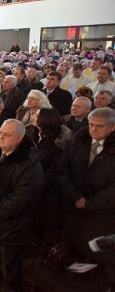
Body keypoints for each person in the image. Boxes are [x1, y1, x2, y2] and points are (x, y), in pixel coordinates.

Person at [0, 119, 44, 291]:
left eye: (7, 135)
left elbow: (22, 198)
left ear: (19, 138)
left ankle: (11, 287)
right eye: (0, 134)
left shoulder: (29, 163)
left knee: (10, 261)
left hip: (12, 223)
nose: (1, 138)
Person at [57, 108, 115, 265]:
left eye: (99, 126)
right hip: (72, 206)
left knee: (95, 256)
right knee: (71, 251)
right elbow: (62, 170)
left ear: (112, 127)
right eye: (91, 124)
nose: (93, 129)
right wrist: (74, 196)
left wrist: (90, 203)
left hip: (101, 214)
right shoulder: (77, 141)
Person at [28, 108, 71, 240]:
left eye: (37, 115)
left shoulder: (56, 144)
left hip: (44, 190)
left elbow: (52, 172)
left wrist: (34, 186)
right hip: (30, 181)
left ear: (45, 120)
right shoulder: (33, 133)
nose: (33, 116)